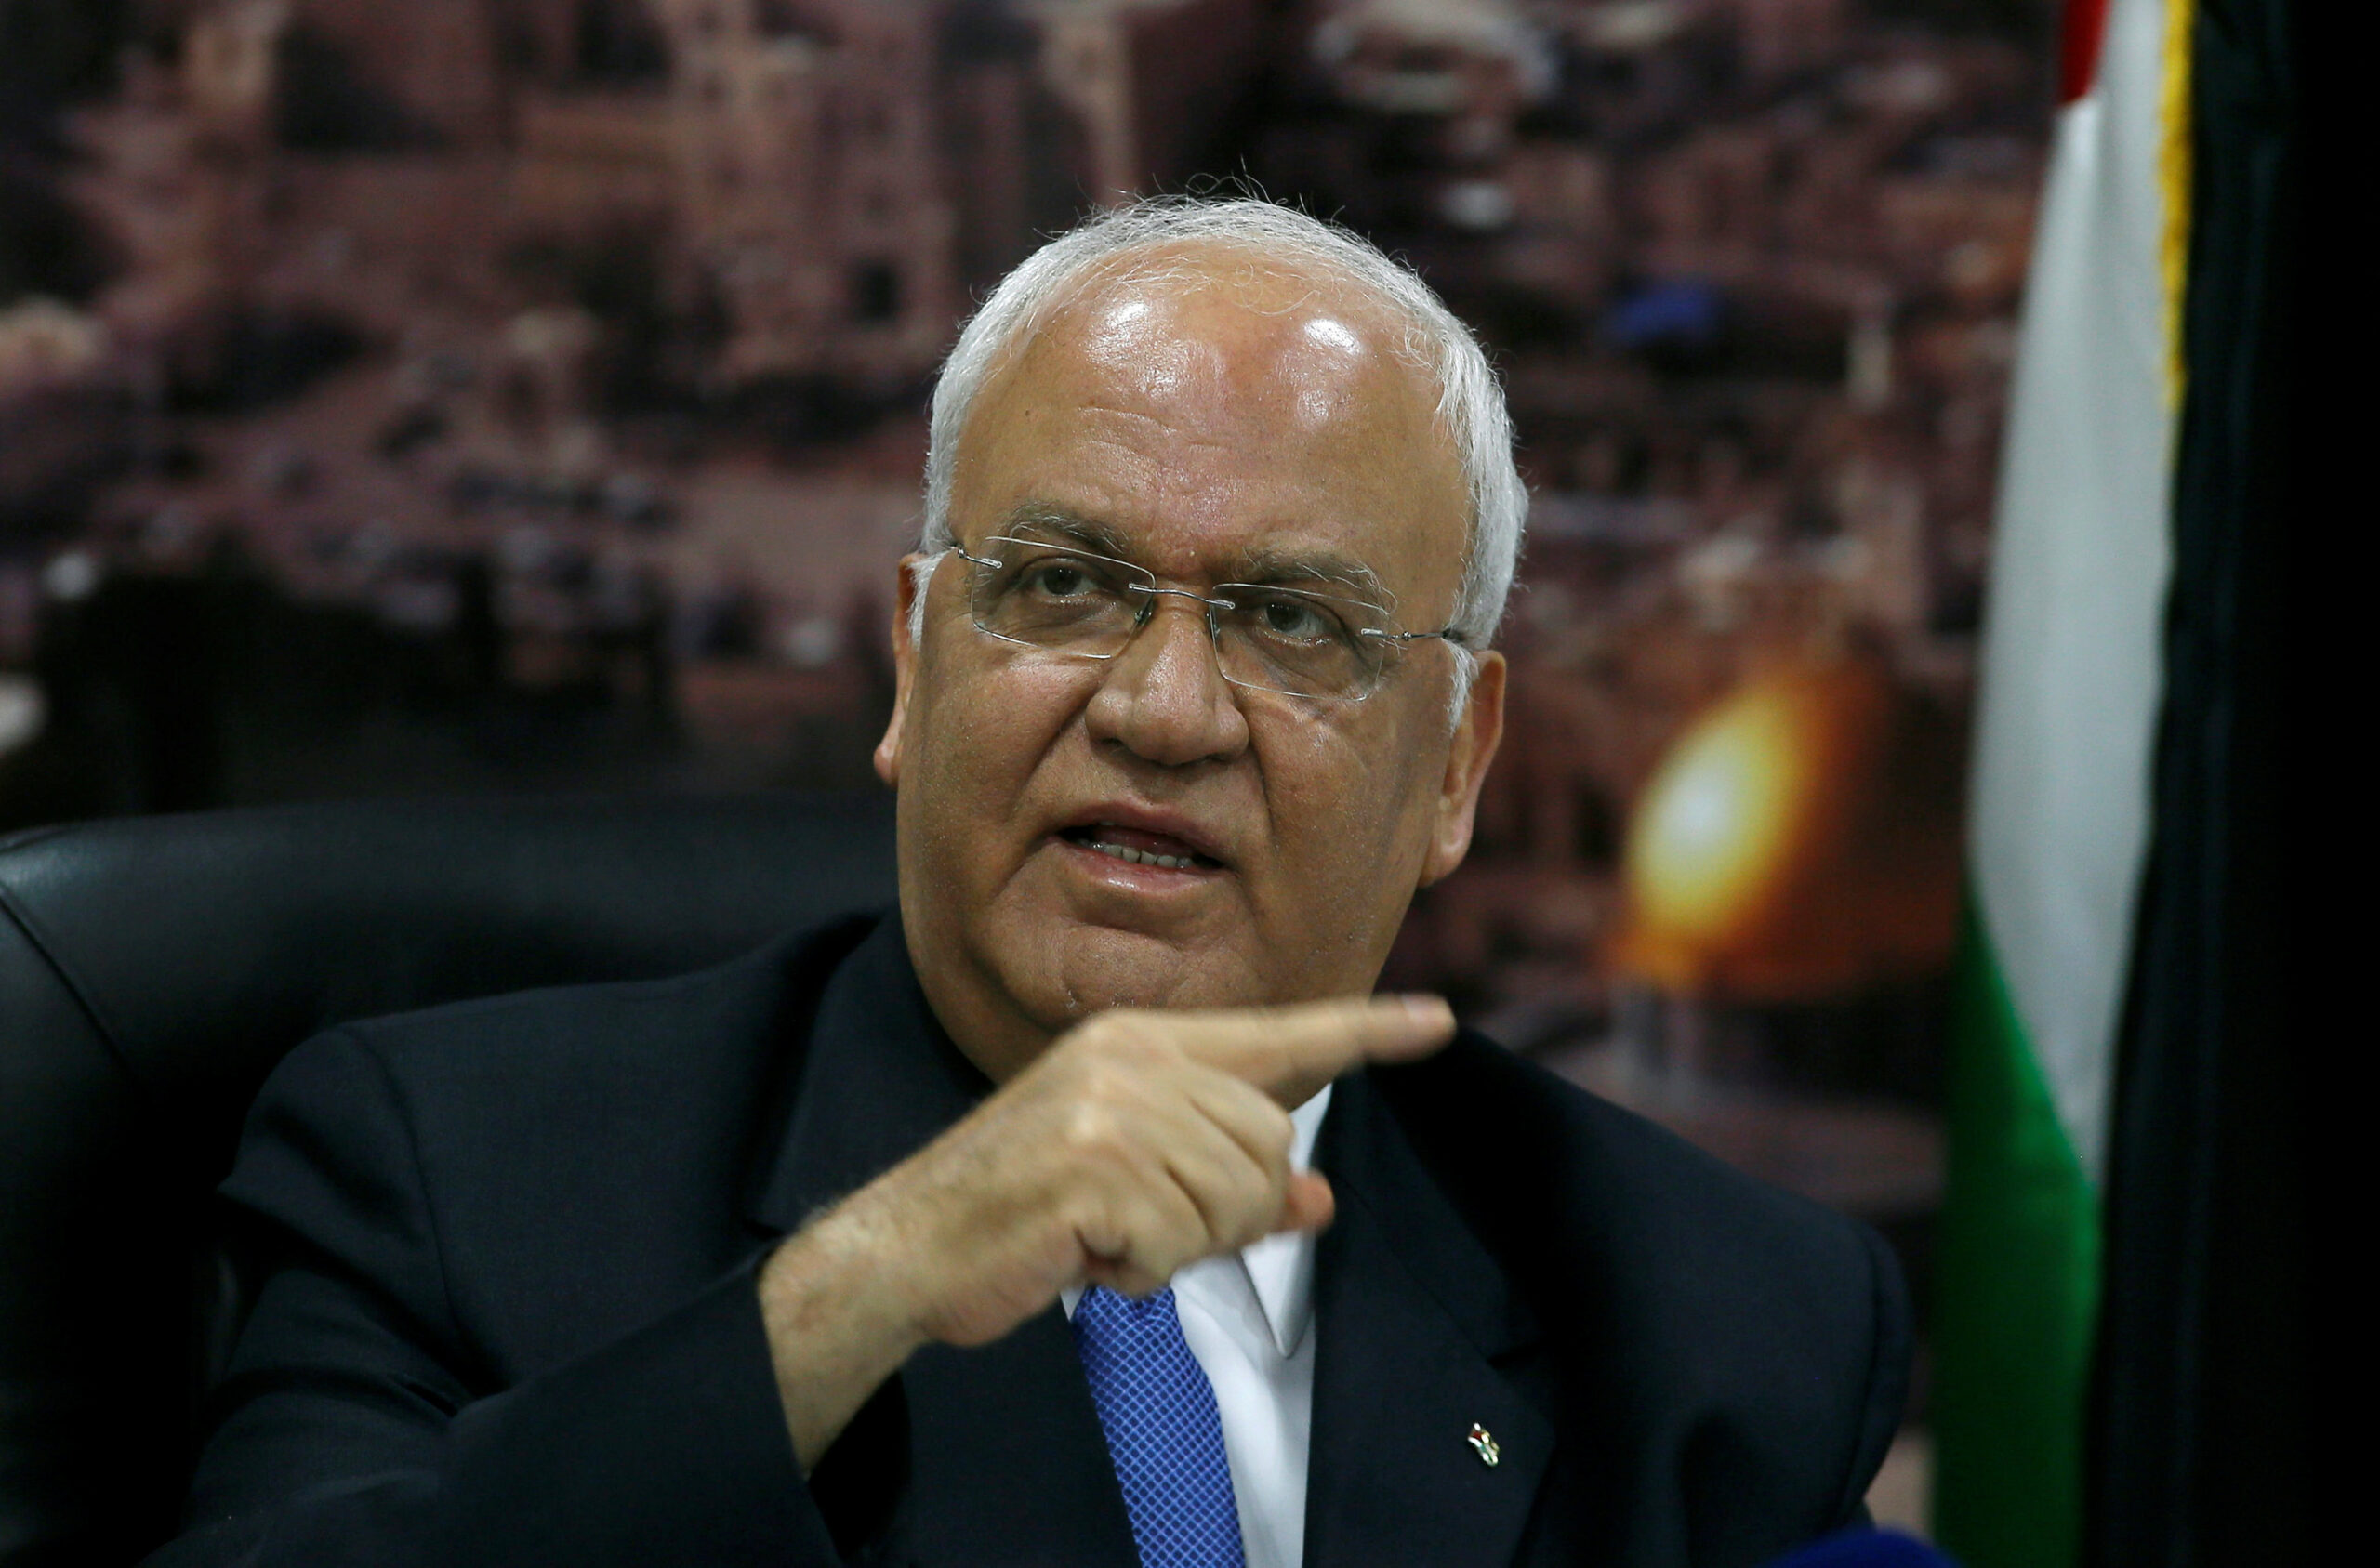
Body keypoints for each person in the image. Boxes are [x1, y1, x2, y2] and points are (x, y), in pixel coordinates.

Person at [152, 201, 1908, 1568]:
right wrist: (870, 1285)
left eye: (1294, 623)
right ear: (914, 665)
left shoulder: (1723, 1321)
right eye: (1065, 587)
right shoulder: (455, 1175)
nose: (1158, 710)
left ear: (1456, 761)